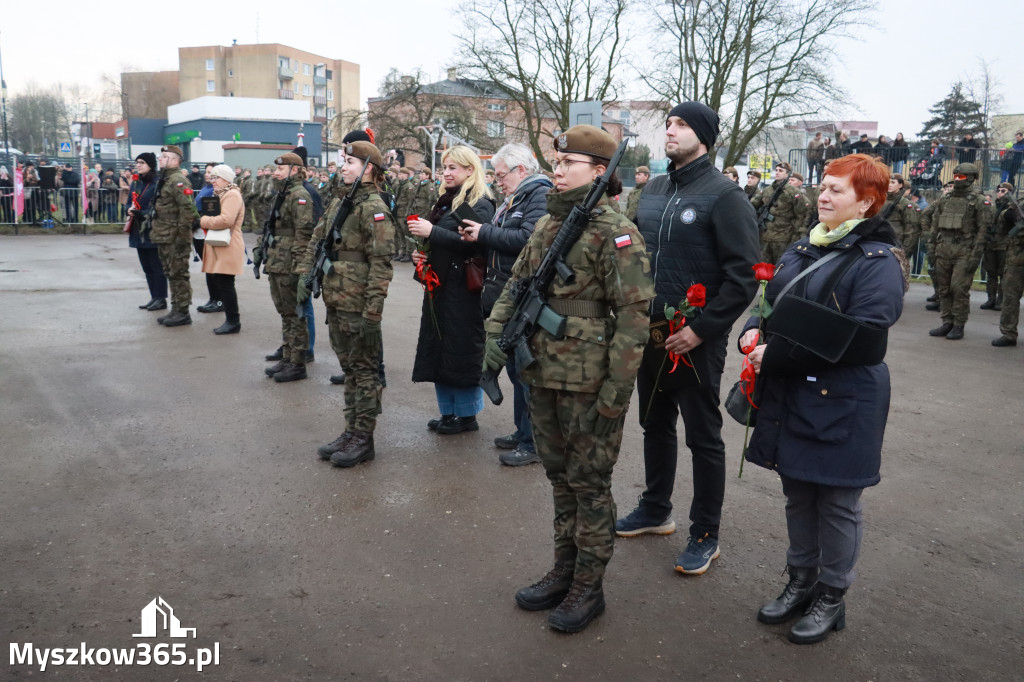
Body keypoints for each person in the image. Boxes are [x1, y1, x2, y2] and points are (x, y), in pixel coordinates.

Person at [485, 124, 655, 633]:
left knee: (589, 484)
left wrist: (615, 394)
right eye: (555, 164)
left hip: (590, 382)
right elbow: (517, 286)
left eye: (569, 165)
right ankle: (564, 568)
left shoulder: (615, 233)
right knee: (559, 480)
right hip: (543, 375)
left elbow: (634, 319)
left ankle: (589, 584)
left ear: (599, 172)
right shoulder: (548, 226)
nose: (557, 172)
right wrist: (494, 342)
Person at [741, 153, 906, 645]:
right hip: (796, 392)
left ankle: (832, 597)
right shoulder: (804, 247)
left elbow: (864, 339)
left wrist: (776, 354)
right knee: (798, 492)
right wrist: (752, 331)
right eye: (824, 186)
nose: (824, 195)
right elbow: (769, 301)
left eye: (836, 189)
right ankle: (800, 581)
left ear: (867, 202)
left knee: (836, 501)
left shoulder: (877, 263)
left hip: (845, 400)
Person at [614, 101, 760, 578]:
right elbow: (634, 253)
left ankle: (705, 533)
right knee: (654, 425)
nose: (670, 131)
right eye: (669, 123)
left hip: (696, 338)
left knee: (703, 437)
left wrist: (700, 329)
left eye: (681, 124)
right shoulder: (652, 189)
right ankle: (656, 509)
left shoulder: (725, 196)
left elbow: (743, 278)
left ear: (704, 136)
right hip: (650, 333)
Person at [302, 141, 395, 467]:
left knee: (366, 372)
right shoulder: (343, 202)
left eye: (350, 162)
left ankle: (363, 438)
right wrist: (305, 276)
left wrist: (373, 311)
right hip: (337, 299)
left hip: (358, 303)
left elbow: (382, 264)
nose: (343, 166)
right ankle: (351, 429)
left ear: (368, 168)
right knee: (351, 370)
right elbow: (319, 238)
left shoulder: (373, 208)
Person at [459, 142, 552, 466]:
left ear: (521, 171)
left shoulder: (538, 196)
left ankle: (533, 442)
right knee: (514, 368)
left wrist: (484, 232)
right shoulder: (519, 197)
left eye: (501, 175)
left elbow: (528, 240)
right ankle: (522, 431)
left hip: (524, 293)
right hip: (508, 291)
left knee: (525, 370)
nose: (498, 181)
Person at [408, 146, 495, 434]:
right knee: (439, 347)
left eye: (453, 167)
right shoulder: (447, 200)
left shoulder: (481, 202)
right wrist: (422, 256)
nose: (446, 172)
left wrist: (431, 232)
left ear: (470, 170)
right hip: (440, 284)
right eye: (444, 167)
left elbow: (471, 241)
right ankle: (448, 412)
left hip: (463, 288)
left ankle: (467, 416)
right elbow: (443, 241)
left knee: (461, 349)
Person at [254, 153, 316, 382]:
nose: (275, 173)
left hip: (290, 263)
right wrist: (260, 248)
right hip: (277, 260)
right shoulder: (282, 193)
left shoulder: (300, 196)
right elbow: (269, 225)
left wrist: (302, 270)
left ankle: (298, 363)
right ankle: (289, 356)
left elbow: (304, 235)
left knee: (295, 315)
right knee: (285, 313)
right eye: (276, 169)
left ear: (295, 170)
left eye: (280, 170)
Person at [924, 162, 995, 340]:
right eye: (955, 176)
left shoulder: (979, 201)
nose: (957, 180)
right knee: (944, 288)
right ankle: (947, 322)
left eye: (961, 177)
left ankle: (959, 325)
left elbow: (983, 231)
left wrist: (975, 256)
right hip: (943, 248)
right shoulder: (945, 199)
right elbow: (934, 227)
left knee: (959, 288)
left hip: (965, 249)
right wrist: (931, 249)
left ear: (971, 178)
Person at [151, 145, 200, 327]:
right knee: (171, 273)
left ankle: (182, 311)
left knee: (179, 274)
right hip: (164, 234)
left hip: (175, 236)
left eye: (163, 157)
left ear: (174, 160)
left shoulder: (178, 180)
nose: (160, 159)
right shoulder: (166, 179)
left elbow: (187, 210)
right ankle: (176, 308)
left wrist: (182, 238)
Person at [199, 165, 246, 334]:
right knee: (222, 282)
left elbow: (226, 220)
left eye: (215, 178)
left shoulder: (232, 194)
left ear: (226, 179)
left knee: (226, 284)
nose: (212, 181)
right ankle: (231, 320)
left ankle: (233, 321)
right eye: (211, 178)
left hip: (229, 244)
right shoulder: (222, 193)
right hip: (222, 243)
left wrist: (203, 221)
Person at [126, 153, 167, 311]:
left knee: (157, 266)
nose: (138, 165)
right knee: (147, 267)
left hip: (153, 229)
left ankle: (161, 298)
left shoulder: (157, 182)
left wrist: (142, 213)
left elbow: (160, 207)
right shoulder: (136, 182)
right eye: (137, 162)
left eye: (142, 162)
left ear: (150, 164)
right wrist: (128, 209)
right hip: (138, 230)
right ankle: (154, 297)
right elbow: (129, 201)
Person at [751, 162, 809, 264]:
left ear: (787, 174)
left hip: (783, 239)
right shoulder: (767, 190)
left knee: (780, 268)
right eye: (776, 170)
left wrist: (795, 234)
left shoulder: (793, 192)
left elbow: (802, 213)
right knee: (763, 270)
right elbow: (752, 205)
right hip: (765, 238)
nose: (777, 172)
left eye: (781, 171)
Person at [993, 185, 1024, 346]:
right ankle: (1008, 333)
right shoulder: (1018, 204)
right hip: (1016, 259)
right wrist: (1008, 215)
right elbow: (1001, 227)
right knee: (1010, 297)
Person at [980, 182, 1012, 311]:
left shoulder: (1012, 208)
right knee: (991, 273)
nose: (1000, 193)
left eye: (1003, 191)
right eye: (998, 190)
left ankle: (1000, 300)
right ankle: (991, 299)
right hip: (992, 244)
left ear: (1010, 192)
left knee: (1003, 274)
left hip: (1004, 245)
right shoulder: (994, 207)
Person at [882, 174, 920, 262]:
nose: (889, 185)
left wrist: (905, 252)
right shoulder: (880, 201)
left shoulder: (906, 204)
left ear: (900, 185)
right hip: (881, 243)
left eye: (892, 182)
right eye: (888, 182)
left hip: (896, 246)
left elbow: (911, 231)